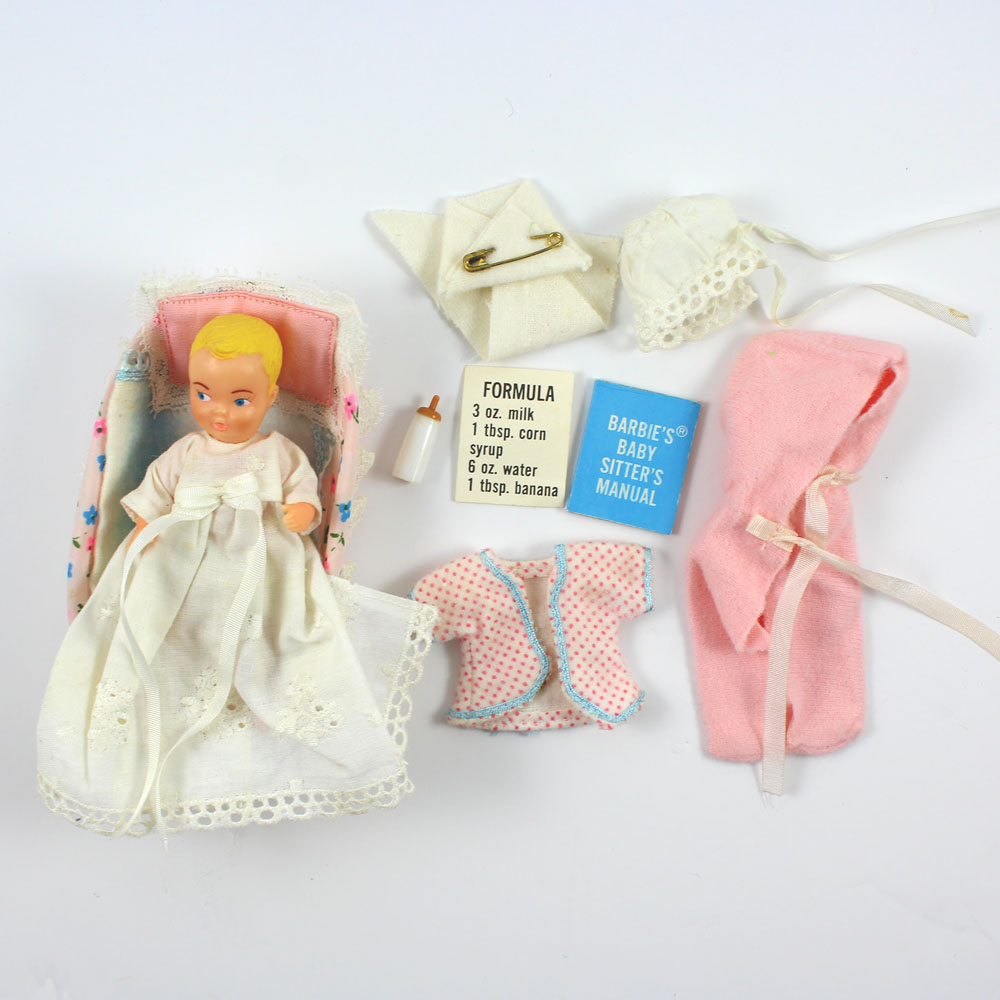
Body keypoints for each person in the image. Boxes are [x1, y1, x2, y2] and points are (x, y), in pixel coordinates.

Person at [38, 314, 413, 836]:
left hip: (261, 558)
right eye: (202, 394)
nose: (218, 412)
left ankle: (252, 699)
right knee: (171, 622)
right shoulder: (187, 451)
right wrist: (144, 530)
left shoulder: (279, 450)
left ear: (270, 396)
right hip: (183, 558)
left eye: (240, 400)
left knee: (272, 623)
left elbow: (304, 490)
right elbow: (152, 494)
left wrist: (303, 511)